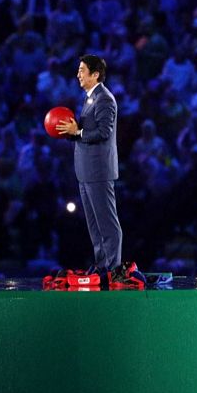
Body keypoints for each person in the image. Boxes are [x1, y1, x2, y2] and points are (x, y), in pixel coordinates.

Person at [55, 54, 122, 274]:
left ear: (95, 74)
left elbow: (104, 132)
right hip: (85, 171)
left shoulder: (104, 99)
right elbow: (84, 131)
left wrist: (79, 131)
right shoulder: (89, 98)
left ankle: (112, 268)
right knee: (94, 224)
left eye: (82, 70)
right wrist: (71, 132)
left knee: (106, 221)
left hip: (99, 170)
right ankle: (102, 264)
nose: (78, 74)